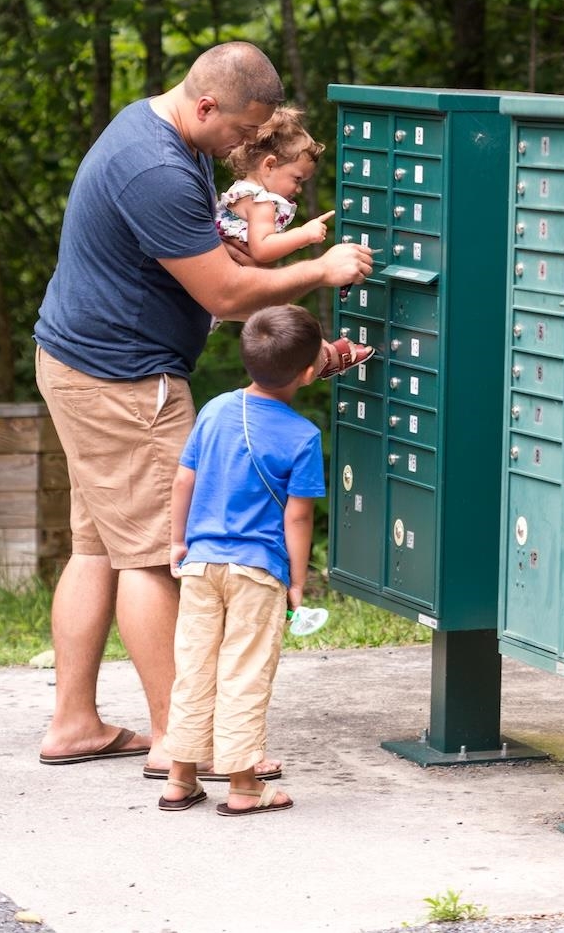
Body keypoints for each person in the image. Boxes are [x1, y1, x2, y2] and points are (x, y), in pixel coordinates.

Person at [33, 41, 373, 778]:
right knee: (162, 553)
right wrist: (321, 269)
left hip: (79, 364)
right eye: (240, 133)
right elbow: (221, 294)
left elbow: (223, 257)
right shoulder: (156, 167)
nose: (245, 149)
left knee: (99, 547)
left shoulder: (155, 131)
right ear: (207, 104)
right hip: (122, 381)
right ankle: (178, 740)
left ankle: (74, 722)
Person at [157, 304, 324, 816]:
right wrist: (297, 581)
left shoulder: (215, 409)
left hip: (201, 563)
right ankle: (245, 787)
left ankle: (179, 778)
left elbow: (184, 479)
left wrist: (176, 541)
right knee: (244, 672)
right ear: (311, 371)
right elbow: (297, 519)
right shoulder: (303, 437)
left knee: (195, 668)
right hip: (256, 571)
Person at [216, 104, 375, 377]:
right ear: (269, 165)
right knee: (287, 323)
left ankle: (323, 358)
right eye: (297, 179)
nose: (298, 189)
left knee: (281, 319)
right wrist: (305, 234)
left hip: (222, 283)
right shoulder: (261, 201)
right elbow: (262, 249)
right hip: (232, 282)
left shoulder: (243, 192)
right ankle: (320, 360)